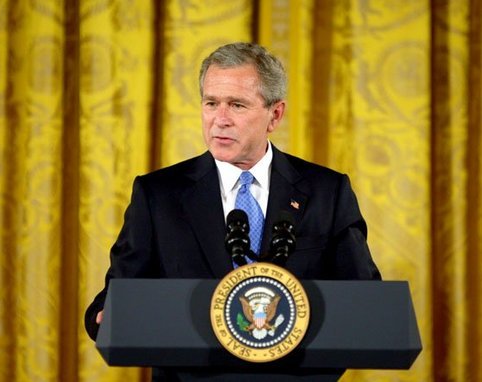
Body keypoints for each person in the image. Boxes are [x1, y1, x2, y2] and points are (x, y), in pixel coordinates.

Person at [85, 42, 381, 379]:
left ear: (275, 115)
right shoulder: (158, 195)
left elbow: (364, 301)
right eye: (211, 103)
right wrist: (104, 314)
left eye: (237, 105)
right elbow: (119, 294)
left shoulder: (327, 191)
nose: (220, 120)